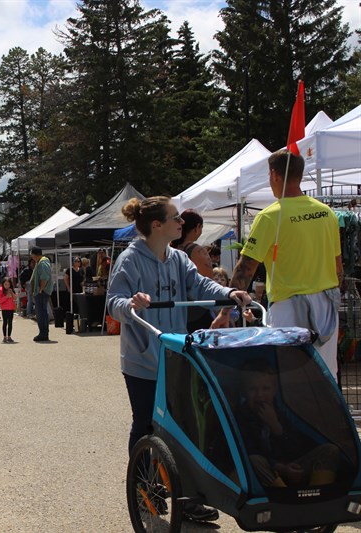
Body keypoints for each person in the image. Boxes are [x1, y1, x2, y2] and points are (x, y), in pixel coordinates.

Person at [106, 196, 251, 523]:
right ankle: (145, 489)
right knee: (146, 426)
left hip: (176, 357)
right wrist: (131, 303)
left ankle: (188, 499)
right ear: (157, 225)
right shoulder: (130, 260)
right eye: (175, 218)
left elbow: (199, 284)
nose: (181, 223)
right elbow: (114, 302)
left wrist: (228, 294)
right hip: (143, 361)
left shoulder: (178, 258)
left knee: (187, 430)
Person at [213, 149, 342, 380]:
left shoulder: (271, 216)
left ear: (274, 175)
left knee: (286, 376)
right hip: (326, 304)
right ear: (299, 175)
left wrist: (225, 311)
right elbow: (338, 268)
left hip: (288, 306)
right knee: (325, 376)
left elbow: (246, 268)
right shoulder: (327, 213)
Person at [236, 359, 339, 487]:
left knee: (330, 450)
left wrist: (276, 426)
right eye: (253, 389)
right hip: (270, 470)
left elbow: (295, 448)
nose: (260, 395)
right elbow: (248, 450)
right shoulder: (241, 417)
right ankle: (283, 495)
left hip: (292, 466)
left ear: (274, 390)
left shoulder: (281, 413)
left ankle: (318, 492)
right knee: (254, 461)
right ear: (244, 392)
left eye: (266, 388)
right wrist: (280, 468)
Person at [172, 209, 215, 332]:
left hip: (174, 309)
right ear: (197, 227)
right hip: (196, 311)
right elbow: (208, 284)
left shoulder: (170, 249)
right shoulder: (198, 251)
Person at [29, 247, 53, 342]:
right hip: (40, 292)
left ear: (35, 254)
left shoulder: (42, 263)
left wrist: (41, 289)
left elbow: (44, 277)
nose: (31, 257)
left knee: (41, 313)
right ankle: (43, 333)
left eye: (32, 254)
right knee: (41, 312)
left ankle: (43, 334)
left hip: (42, 292)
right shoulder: (40, 262)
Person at [0, 277, 17, 343]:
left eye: (8, 284)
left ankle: (9, 336)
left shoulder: (11, 290)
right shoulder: (0, 290)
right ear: (3, 284)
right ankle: (4, 336)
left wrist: (12, 293)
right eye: (5, 284)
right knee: (5, 322)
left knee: (10, 322)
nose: (7, 286)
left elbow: (15, 298)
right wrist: (6, 297)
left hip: (11, 308)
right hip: (4, 309)